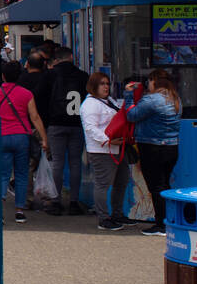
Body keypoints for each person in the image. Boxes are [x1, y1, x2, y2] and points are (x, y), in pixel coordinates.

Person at [125, 69, 181, 237]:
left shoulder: (152, 100)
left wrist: (128, 95)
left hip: (152, 147)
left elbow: (131, 115)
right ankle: (169, 221)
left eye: (149, 81)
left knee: (155, 187)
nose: (147, 84)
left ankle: (160, 224)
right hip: (172, 147)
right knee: (165, 185)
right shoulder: (175, 98)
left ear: (155, 81)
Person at [34, 47, 88, 217]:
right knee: (75, 162)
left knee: (57, 162)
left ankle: (56, 201)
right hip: (76, 123)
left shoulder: (50, 75)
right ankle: (74, 201)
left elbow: (39, 97)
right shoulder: (82, 76)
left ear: (55, 60)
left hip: (56, 123)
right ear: (71, 57)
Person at [0, 60, 48, 223]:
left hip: (1, 136)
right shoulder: (26, 94)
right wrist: (44, 138)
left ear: (3, 76)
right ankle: (19, 210)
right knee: (22, 174)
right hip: (21, 137)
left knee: (2, 174)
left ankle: (0, 210)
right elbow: (35, 117)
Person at [82, 73, 131, 231]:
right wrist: (108, 140)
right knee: (103, 184)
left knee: (121, 181)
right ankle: (103, 218)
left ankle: (117, 214)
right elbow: (90, 129)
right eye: (102, 83)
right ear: (93, 85)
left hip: (116, 147)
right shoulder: (90, 105)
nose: (106, 86)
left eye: (107, 83)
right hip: (101, 150)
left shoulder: (108, 101)